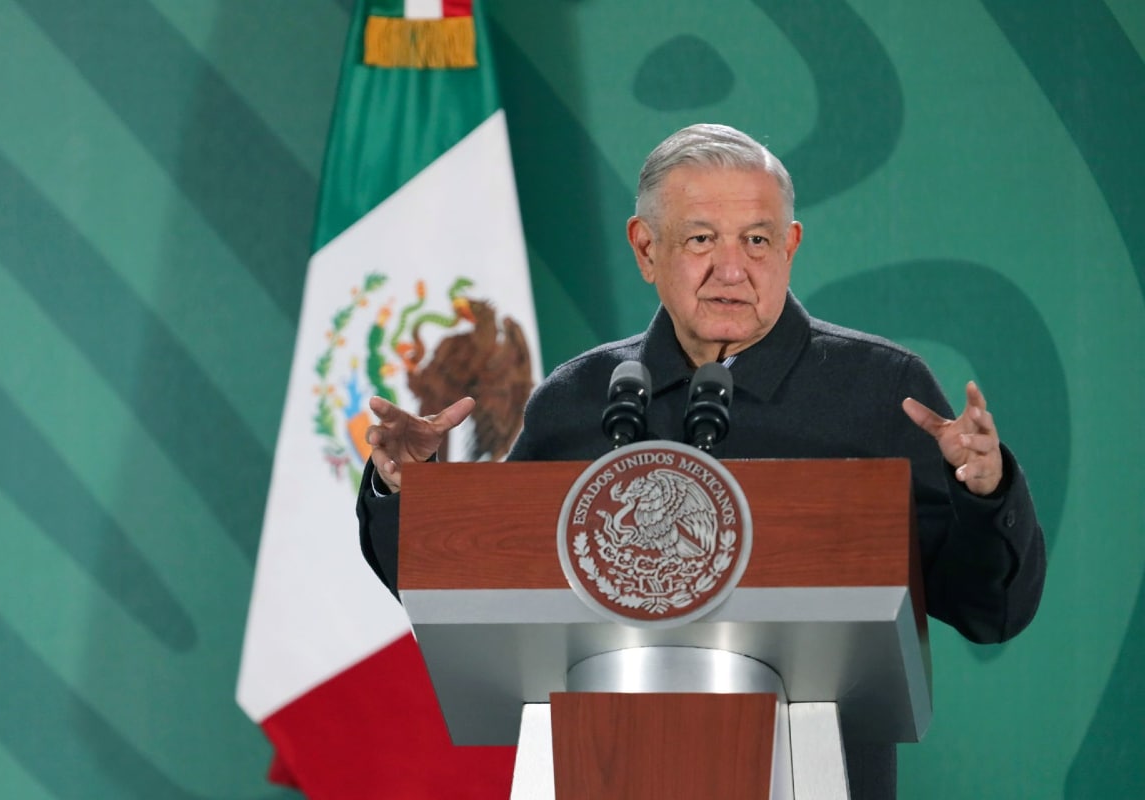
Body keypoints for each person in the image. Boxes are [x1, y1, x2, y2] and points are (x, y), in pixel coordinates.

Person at [356, 123, 1046, 799]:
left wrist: (983, 493)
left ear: (790, 246)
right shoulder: (576, 399)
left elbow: (993, 612)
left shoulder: (877, 391)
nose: (732, 269)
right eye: (700, 240)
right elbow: (479, 588)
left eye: (756, 240)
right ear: (645, 248)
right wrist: (402, 492)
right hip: (600, 771)